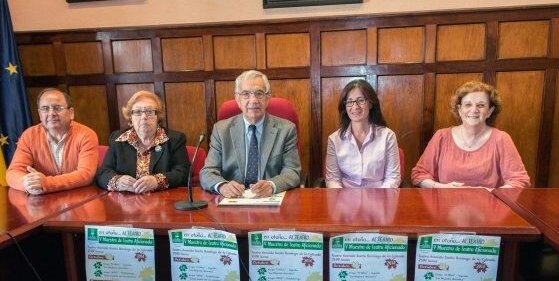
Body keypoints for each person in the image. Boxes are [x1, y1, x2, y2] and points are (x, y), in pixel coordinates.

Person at [199, 70, 301, 198]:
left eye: (259, 94)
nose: (253, 100)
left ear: (267, 98)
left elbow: (292, 172)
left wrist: (271, 185)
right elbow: (207, 172)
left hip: (270, 199)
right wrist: (222, 186)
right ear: (237, 99)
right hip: (233, 202)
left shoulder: (286, 129)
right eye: (246, 94)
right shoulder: (221, 130)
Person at [411, 81, 530, 189]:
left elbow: (519, 180)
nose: (474, 110)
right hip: (444, 208)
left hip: (488, 208)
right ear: (459, 109)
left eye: (481, 105)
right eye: (468, 104)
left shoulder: (501, 139)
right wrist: (441, 187)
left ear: (490, 111)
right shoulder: (441, 136)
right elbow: (419, 175)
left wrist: (490, 192)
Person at [6, 88, 99, 195]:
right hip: (42, 205)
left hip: (80, 200)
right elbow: (13, 172)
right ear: (40, 114)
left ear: (71, 113)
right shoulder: (29, 136)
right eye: (45, 108)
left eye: (57, 107)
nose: (51, 113)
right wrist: (26, 183)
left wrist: (46, 183)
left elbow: (86, 175)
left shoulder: (86, 135)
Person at [96, 90, 189, 193]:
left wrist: (157, 181)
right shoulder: (118, 139)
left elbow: (183, 173)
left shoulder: (174, 140)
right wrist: (118, 181)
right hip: (126, 203)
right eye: (137, 112)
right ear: (130, 117)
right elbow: (103, 173)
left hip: (162, 202)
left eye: (149, 111)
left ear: (158, 116)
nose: (144, 117)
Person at [325, 79, 401, 188]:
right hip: (345, 200)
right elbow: (333, 180)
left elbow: (392, 178)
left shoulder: (387, 136)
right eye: (350, 102)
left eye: (360, 100)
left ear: (370, 103)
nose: (355, 107)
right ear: (345, 107)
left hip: (378, 199)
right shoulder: (334, 139)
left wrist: (381, 202)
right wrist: (342, 201)